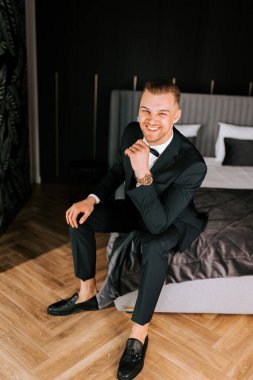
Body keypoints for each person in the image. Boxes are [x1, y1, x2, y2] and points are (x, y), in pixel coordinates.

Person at [47, 79, 208, 379]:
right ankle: (86, 293)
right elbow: (116, 173)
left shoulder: (193, 163)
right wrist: (91, 199)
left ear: (177, 116)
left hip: (170, 220)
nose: (151, 120)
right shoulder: (132, 131)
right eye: (145, 110)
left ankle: (139, 334)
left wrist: (144, 173)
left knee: (155, 245)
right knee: (79, 216)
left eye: (162, 113)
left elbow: (158, 223)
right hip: (136, 208)